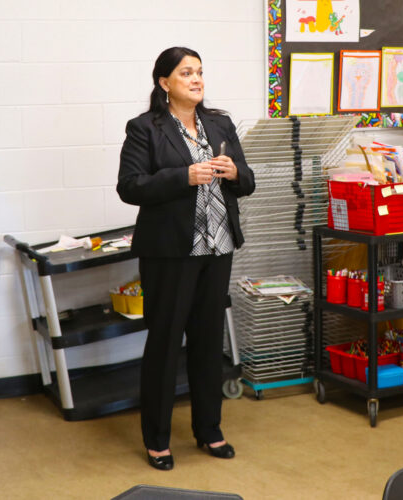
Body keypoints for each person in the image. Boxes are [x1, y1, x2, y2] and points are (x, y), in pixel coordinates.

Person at [118, 47, 255, 470]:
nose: (196, 79)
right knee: (164, 344)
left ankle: (209, 431)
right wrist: (184, 177)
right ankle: (158, 440)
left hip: (218, 248)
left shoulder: (220, 123)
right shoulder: (145, 128)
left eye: (199, 72)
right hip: (170, 253)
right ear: (164, 83)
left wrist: (234, 173)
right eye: (185, 73)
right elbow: (130, 186)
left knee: (208, 342)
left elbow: (246, 181)